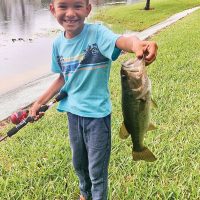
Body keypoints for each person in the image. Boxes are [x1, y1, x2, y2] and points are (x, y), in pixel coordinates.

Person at [30, 0, 158, 199]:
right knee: (79, 164)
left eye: (78, 6)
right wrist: (39, 102)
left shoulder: (98, 34)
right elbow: (63, 77)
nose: (70, 13)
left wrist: (136, 44)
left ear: (88, 9)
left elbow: (122, 41)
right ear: (53, 9)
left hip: (97, 119)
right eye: (63, 6)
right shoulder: (57, 43)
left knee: (97, 172)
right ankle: (84, 193)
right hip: (73, 115)